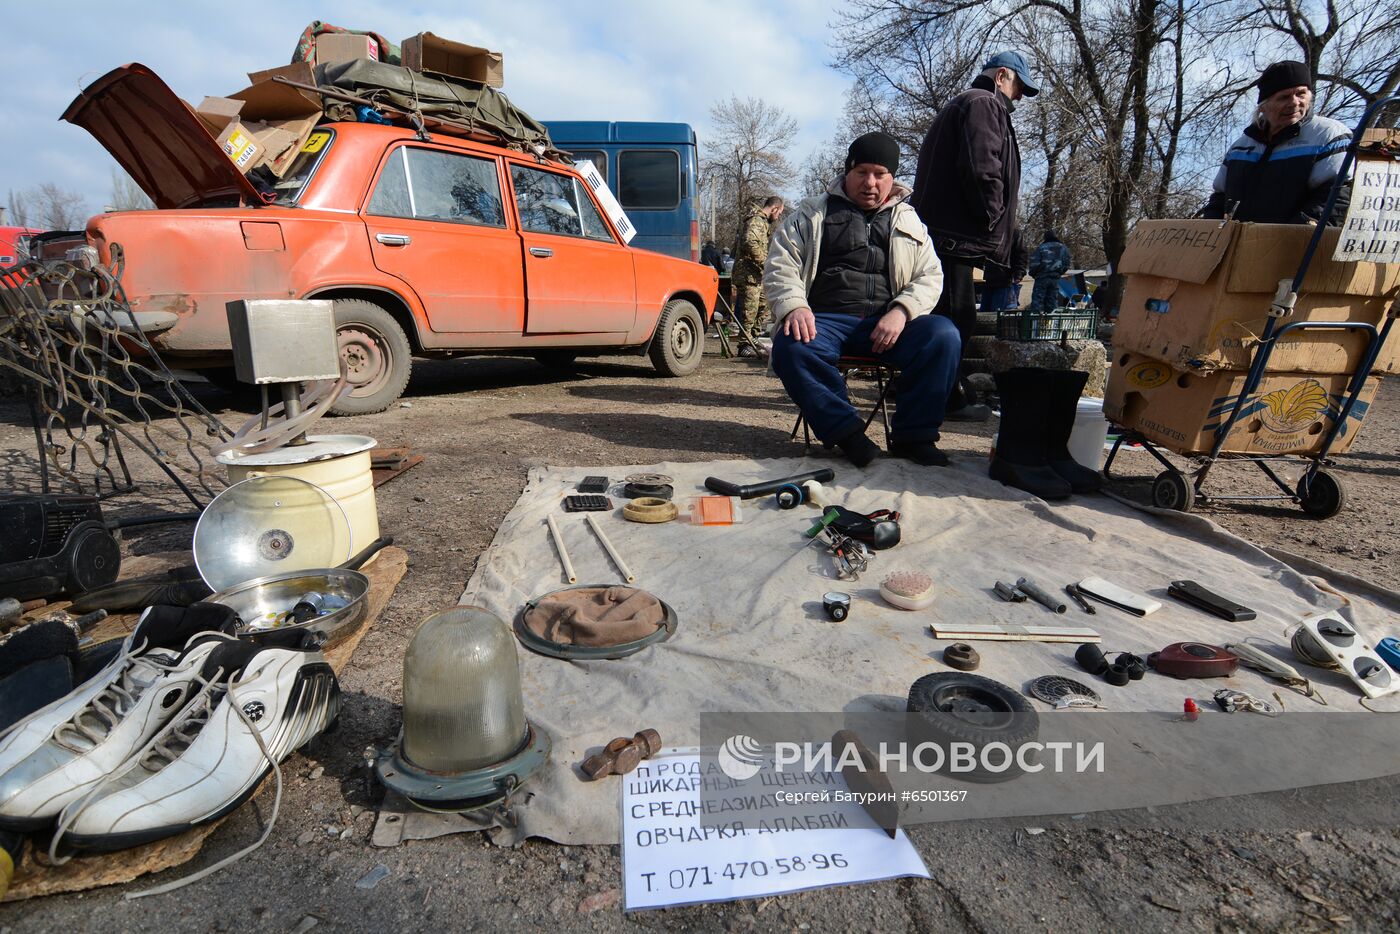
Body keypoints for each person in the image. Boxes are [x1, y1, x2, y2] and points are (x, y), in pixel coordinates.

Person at [765, 132, 960, 468]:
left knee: (943, 335)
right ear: (847, 172)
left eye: (880, 174)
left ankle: (915, 437)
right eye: (862, 172)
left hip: (888, 324)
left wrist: (902, 310)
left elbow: (931, 276)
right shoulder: (811, 213)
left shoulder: (910, 220)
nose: (870, 182)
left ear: (892, 178)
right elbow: (780, 265)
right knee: (791, 345)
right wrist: (795, 306)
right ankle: (848, 434)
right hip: (825, 321)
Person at [911, 50, 1039, 421]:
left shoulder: (971, 103)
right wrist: (993, 216)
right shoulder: (983, 103)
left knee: (949, 314)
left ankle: (938, 392)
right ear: (1002, 76)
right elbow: (982, 165)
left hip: (951, 233)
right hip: (955, 235)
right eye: (1019, 87)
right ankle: (941, 398)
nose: (1019, 98)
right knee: (955, 316)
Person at [1201, 60, 1351, 224]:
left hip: (1297, 245)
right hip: (1241, 246)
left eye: (1301, 94)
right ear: (1263, 107)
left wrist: (1282, 240)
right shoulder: (1240, 147)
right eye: (1284, 97)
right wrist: (1209, 237)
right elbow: (1219, 200)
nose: (1294, 102)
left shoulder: (1328, 136)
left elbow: (1335, 197)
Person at [732, 196, 785, 350]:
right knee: (750, 309)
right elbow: (750, 242)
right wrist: (766, 262)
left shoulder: (762, 222)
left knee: (763, 306)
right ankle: (744, 345)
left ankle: (753, 338)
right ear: (774, 208)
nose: (779, 216)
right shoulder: (756, 220)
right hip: (747, 274)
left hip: (756, 275)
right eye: (779, 212)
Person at [981, 227, 1026, 313]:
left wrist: (1019, 273)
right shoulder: (990, 232)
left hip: (1005, 282)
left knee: (1001, 315)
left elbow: (1021, 255)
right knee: (985, 315)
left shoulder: (1014, 233)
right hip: (989, 281)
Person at [1027, 230, 1071, 312]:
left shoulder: (1041, 247)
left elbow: (1034, 264)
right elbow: (1067, 264)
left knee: (1038, 302)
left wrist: (1034, 274)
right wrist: (1059, 273)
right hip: (1055, 279)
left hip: (1041, 278)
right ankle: (1051, 322)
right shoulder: (1064, 248)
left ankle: (1036, 322)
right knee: (1052, 301)